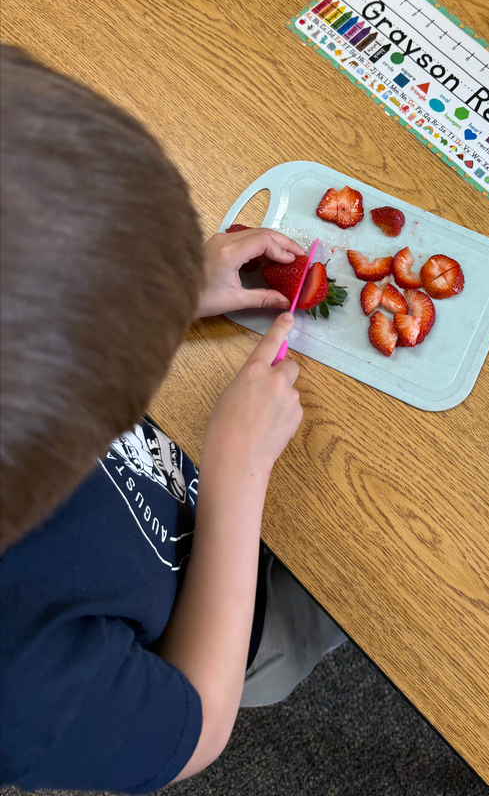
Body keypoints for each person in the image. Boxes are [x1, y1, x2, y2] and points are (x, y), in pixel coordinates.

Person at [0, 46, 345, 793]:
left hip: (206, 464)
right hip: (225, 627)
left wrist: (158, 287)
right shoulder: (21, 698)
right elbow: (198, 725)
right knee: (347, 589)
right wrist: (235, 478)